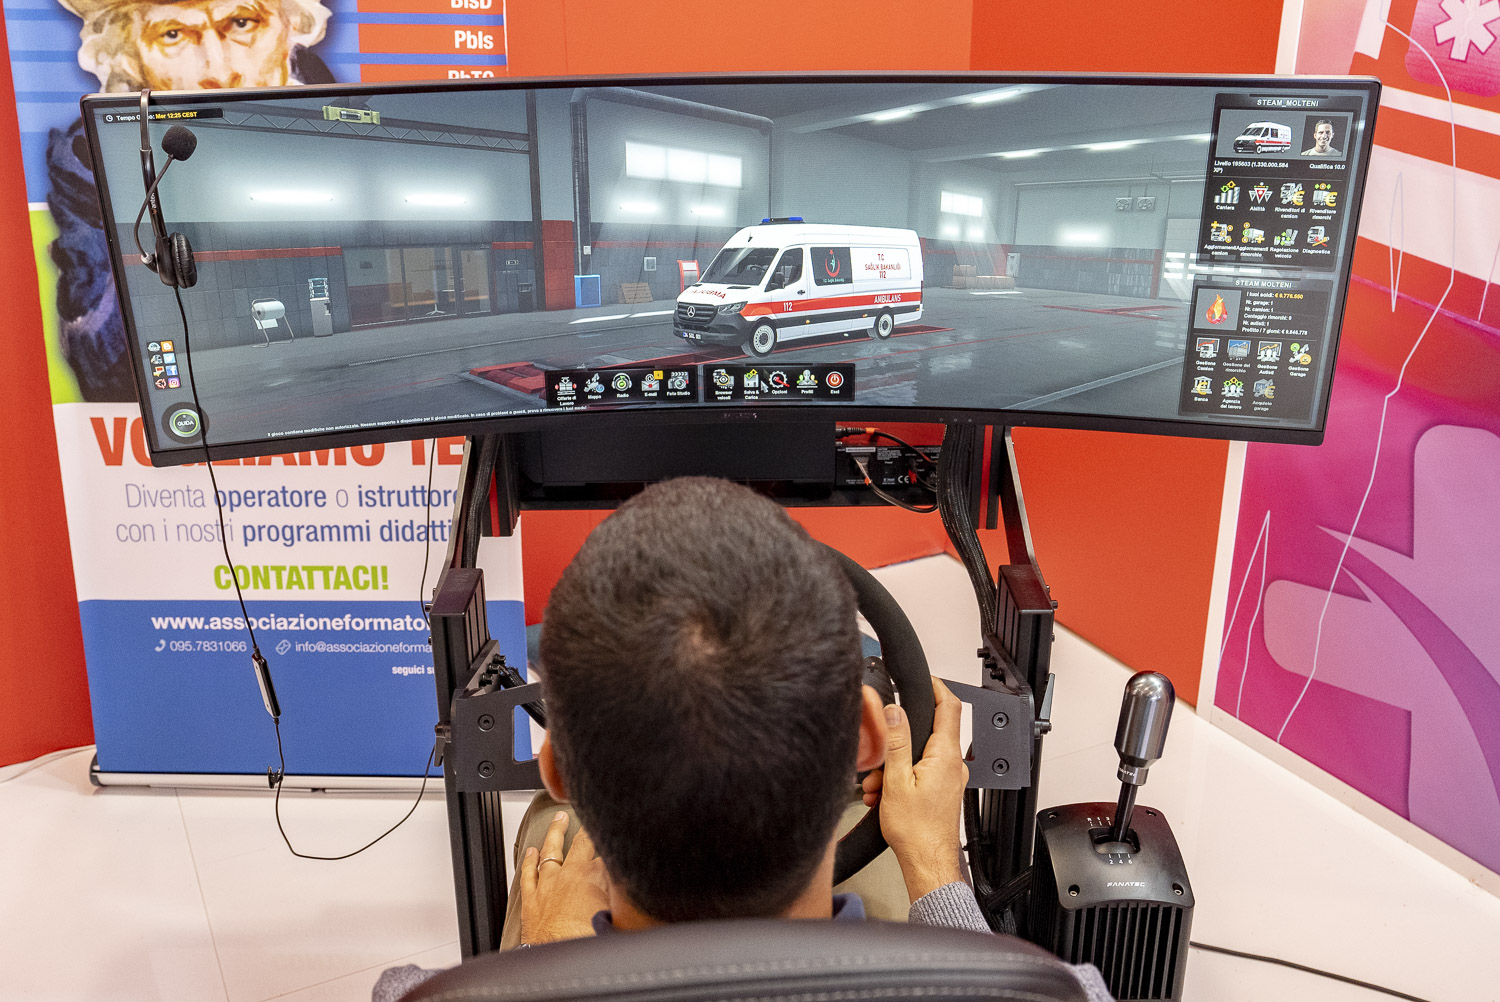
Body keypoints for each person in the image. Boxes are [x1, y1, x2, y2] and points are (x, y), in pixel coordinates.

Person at [373, 478, 1111, 1000]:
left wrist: (547, 964)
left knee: (544, 835)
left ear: (559, 770)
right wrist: (936, 868)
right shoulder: (1059, 994)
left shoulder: (415, 997)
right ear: (866, 737)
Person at [46, 0, 335, 400]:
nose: (219, 71)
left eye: (242, 22)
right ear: (129, 53)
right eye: (173, 34)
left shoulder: (348, 122)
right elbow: (100, 363)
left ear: (291, 25)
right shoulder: (87, 158)